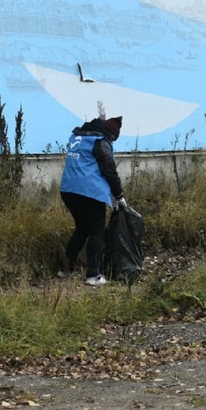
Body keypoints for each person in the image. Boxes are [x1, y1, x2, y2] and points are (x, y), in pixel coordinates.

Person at [59, 115, 126, 286]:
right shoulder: (100, 141)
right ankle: (93, 275)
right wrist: (119, 196)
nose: (112, 141)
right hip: (89, 192)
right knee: (97, 231)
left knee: (82, 229)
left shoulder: (78, 137)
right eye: (113, 138)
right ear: (110, 134)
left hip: (68, 190)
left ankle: (64, 269)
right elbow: (109, 170)